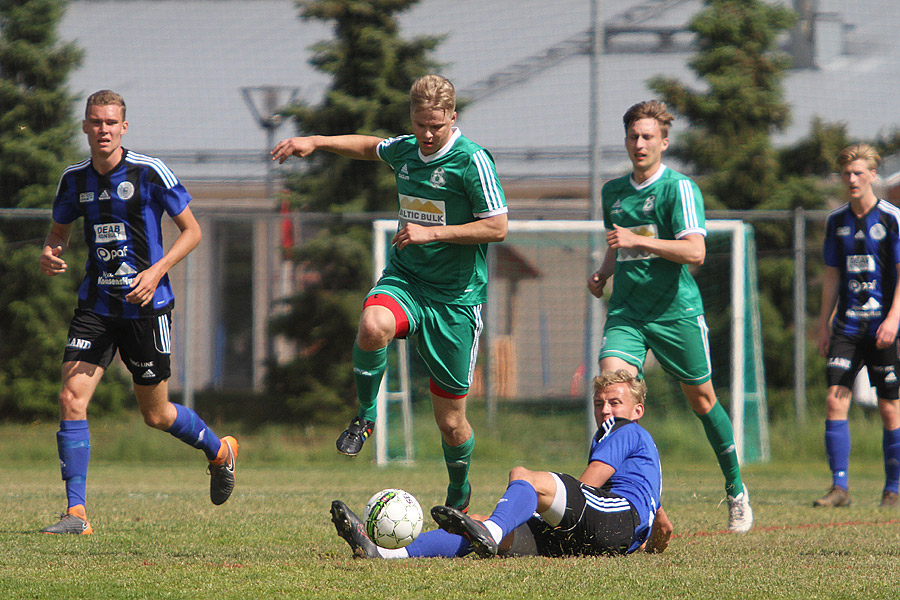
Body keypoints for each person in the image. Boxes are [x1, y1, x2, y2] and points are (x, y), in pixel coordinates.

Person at [272, 75, 508, 512]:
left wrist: (435, 233)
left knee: (451, 421)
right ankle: (365, 415)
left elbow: (497, 225)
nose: (428, 134)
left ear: (452, 118)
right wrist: (316, 141)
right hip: (408, 280)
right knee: (372, 323)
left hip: (455, 300)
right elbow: (368, 146)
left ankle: (459, 491)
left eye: (436, 125)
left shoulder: (472, 161)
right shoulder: (405, 149)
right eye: (420, 124)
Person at [38, 90, 238, 534]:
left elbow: (193, 231)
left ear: (123, 127)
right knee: (71, 397)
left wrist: (156, 271)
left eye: (111, 122)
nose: (103, 129)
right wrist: (51, 253)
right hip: (97, 306)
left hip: (148, 309)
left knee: (156, 414)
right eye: (95, 122)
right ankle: (76, 513)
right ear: (85, 126)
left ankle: (220, 450)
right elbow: (58, 231)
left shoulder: (149, 172)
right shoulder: (73, 179)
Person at [586, 100, 752, 533]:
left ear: (663, 141)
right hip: (627, 311)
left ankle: (735, 489)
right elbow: (619, 241)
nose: (639, 144)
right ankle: (604, 496)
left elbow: (695, 251)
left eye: (647, 137)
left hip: (675, 312)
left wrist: (643, 241)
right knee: (610, 392)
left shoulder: (678, 189)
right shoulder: (613, 191)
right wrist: (604, 271)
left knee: (702, 400)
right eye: (632, 136)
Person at [330, 370, 672, 559]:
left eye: (615, 402)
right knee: (478, 525)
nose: (606, 411)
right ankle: (382, 554)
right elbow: (662, 528)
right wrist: (647, 545)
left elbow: (588, 487)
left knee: (524, 478)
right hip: (606, 538)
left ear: (637, 411)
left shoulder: (625, 430)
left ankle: (492, 532)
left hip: (610, 522)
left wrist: (540, 507)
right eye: (600, 403)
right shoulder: (643, 457)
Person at [814, 143, 900, 509]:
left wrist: (894, 319)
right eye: (847, 173)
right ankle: (840, 489)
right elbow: (832, 274)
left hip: (883, 327)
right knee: (835, 400)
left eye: (858, 173)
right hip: (847, 328)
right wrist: (823, 323)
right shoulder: (836, 221)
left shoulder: (891, 218)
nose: (851, 179)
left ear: (872, 176)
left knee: (889, 407)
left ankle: (893, 488)